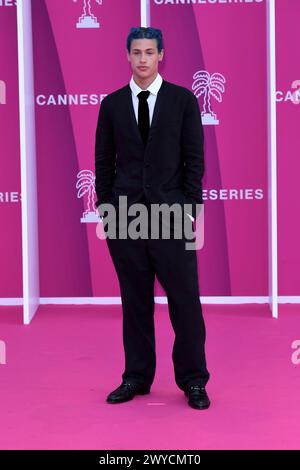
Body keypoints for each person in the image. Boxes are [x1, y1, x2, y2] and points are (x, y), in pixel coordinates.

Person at [94, 27, 210, 410]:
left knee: (185, 303)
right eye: (136, 52)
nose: (143, 59)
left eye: (149, 52)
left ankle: (193, 381)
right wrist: (107, 207)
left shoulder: (183, 101)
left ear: (162, 55)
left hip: (171, 216)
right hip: (125, 220)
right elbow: (103, 162)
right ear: (127, 56)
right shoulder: (111, 105)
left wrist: (190, 207)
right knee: (135, 302)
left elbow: (194, 159)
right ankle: (136, 378)